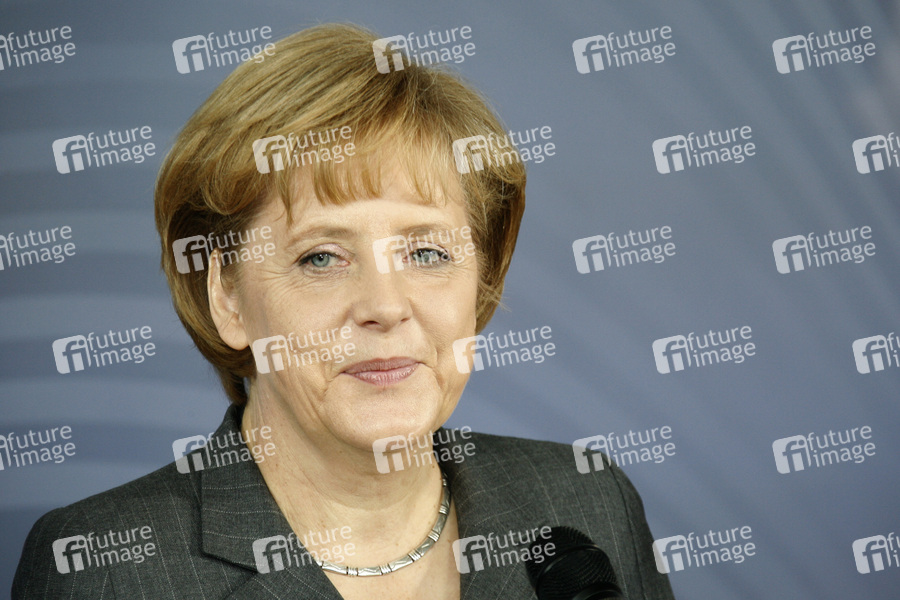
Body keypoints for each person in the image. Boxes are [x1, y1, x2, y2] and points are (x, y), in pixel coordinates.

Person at [13, 24, 675, 599]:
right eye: (322, 258)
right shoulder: (107, 569)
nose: (385, 306)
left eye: (427, 252)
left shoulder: (588, 502)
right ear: (227, 297)